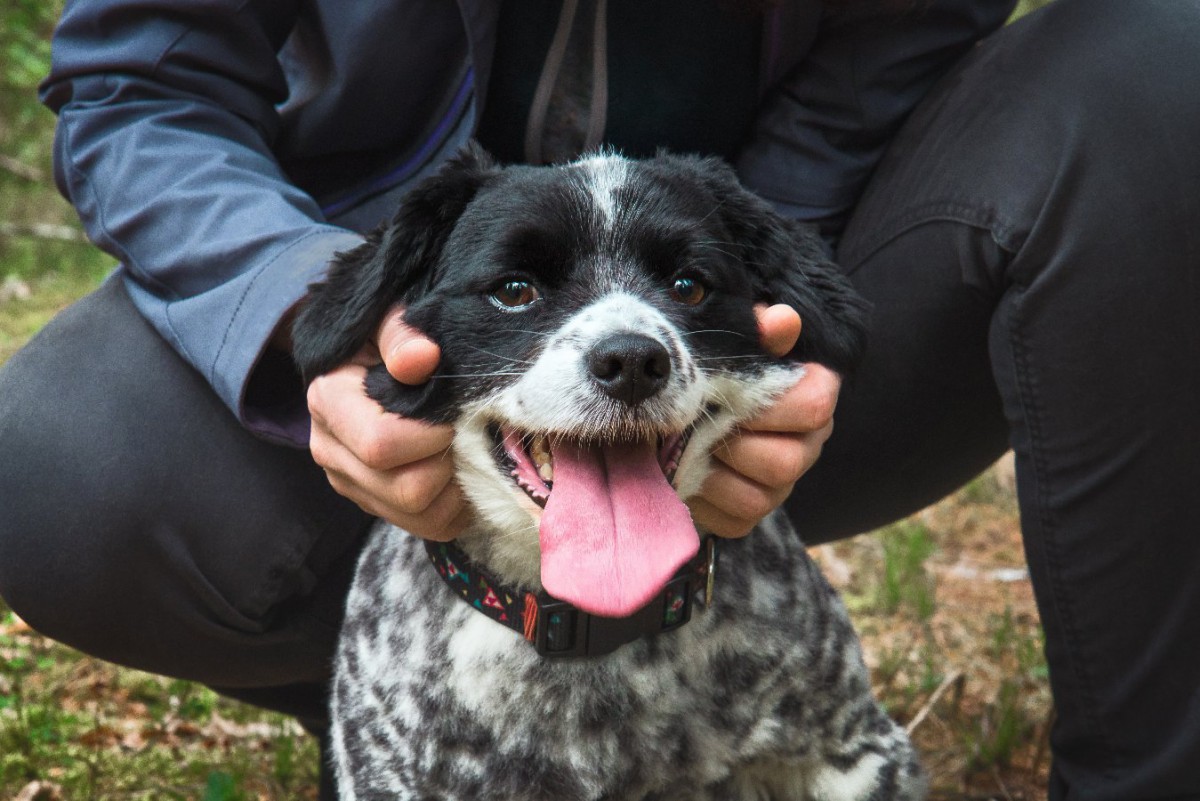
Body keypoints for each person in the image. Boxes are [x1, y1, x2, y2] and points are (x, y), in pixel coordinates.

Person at [0, 0, 1197, 798]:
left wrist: (757, 295)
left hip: (790, 287)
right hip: (392, 300)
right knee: (50, 465)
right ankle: (465, 717)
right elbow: (136, 84)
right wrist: (311, 317)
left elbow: (895, 54)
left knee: (1162, 52)